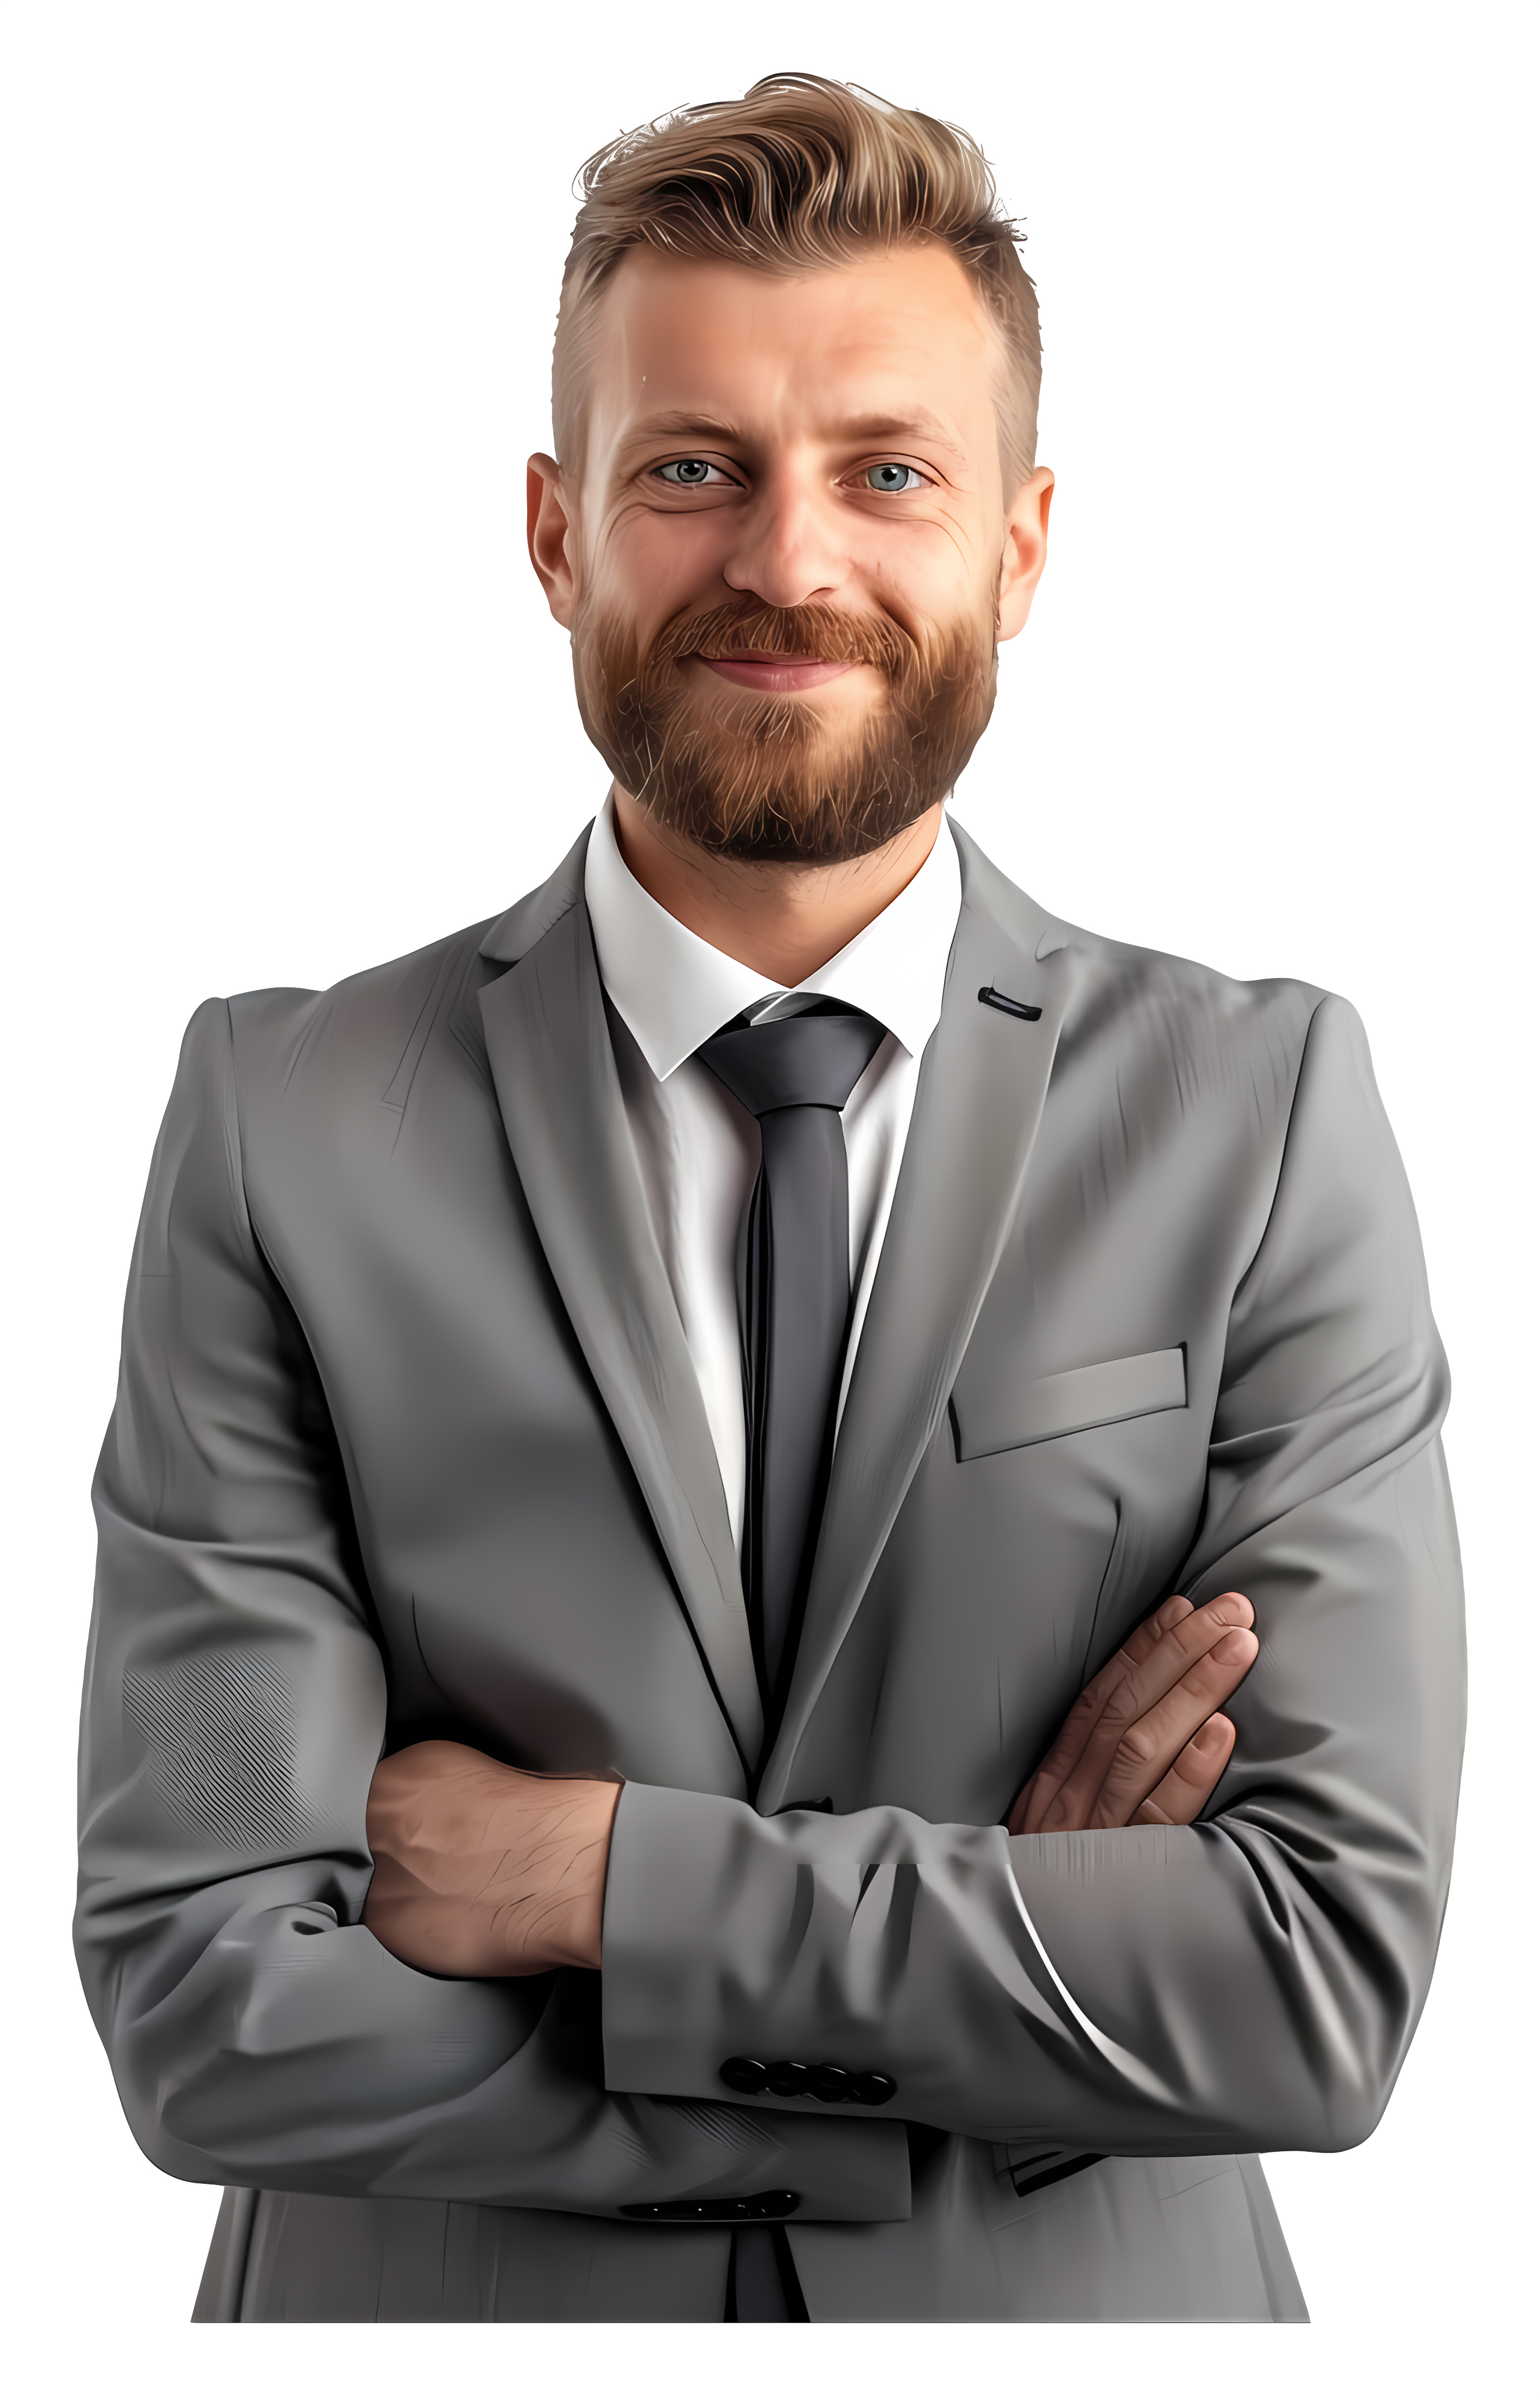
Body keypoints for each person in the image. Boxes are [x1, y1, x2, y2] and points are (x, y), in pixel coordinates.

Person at [73, 70, 1466, 2323]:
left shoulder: (1267, 1107)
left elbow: (1309, 1983)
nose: (790, 563)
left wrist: (596, 1875)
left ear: (1019, 543)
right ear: (553, 532)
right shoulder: (281, 1115)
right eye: (692, 469)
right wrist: (983, 2004)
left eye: (886, 474)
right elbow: (203, 2001)